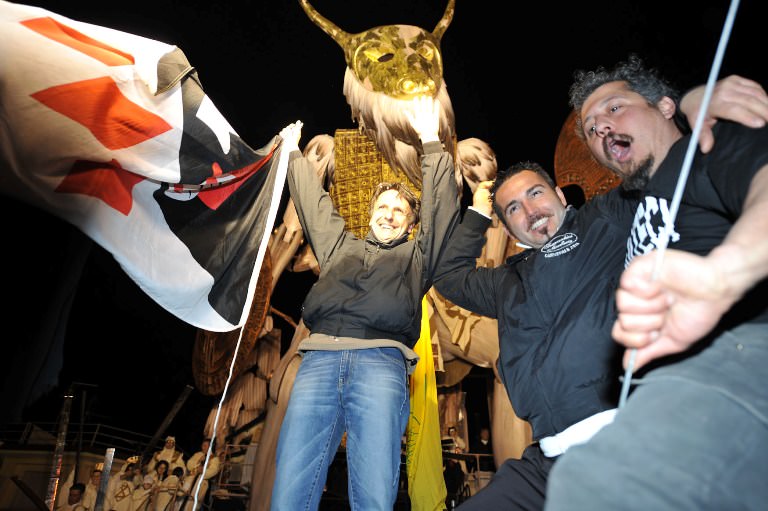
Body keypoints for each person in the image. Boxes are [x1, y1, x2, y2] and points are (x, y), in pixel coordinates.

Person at [432, 75, 768, 510]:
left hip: (628, 432)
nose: (529, 210)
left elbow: (665, 161)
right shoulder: (504, 283)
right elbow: (447, 274)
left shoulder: (606, 219)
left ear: (559, 194)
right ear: (508, 227)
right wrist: (479, 210)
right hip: (544, 461)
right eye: (512, 208)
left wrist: (690, 102)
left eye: (536, 193)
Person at [544, 55, 768, 510]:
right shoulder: (628, 205)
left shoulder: (704, 147)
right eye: (589, 129)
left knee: (597, 487)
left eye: (613, 108)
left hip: (737, 357)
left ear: (663, 107)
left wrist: (724, 273)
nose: (600, 129)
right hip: (665, 397)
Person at [270, 94, 461, 510]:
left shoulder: (416, 258)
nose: (390, 214)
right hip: (318, 363)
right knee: (291, 482)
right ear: (370, 213)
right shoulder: (340, 248)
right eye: (384, 207)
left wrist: (431, 142)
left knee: (373, 488)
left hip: (381, 365)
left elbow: (442, 209)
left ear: (411, 225)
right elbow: (315, 206)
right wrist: (293, 156)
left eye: (400, 211)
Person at [178, 438, 220, 511]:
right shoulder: (198, 454)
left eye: (205, 445)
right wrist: (197, 464)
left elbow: (213, 470)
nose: (203, 447)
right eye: (202, 445)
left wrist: (203, 471)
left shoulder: (215, 458)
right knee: (180, 500)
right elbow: (189, 463)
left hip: (201, 482)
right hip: (190, 479)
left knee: (192, 503)